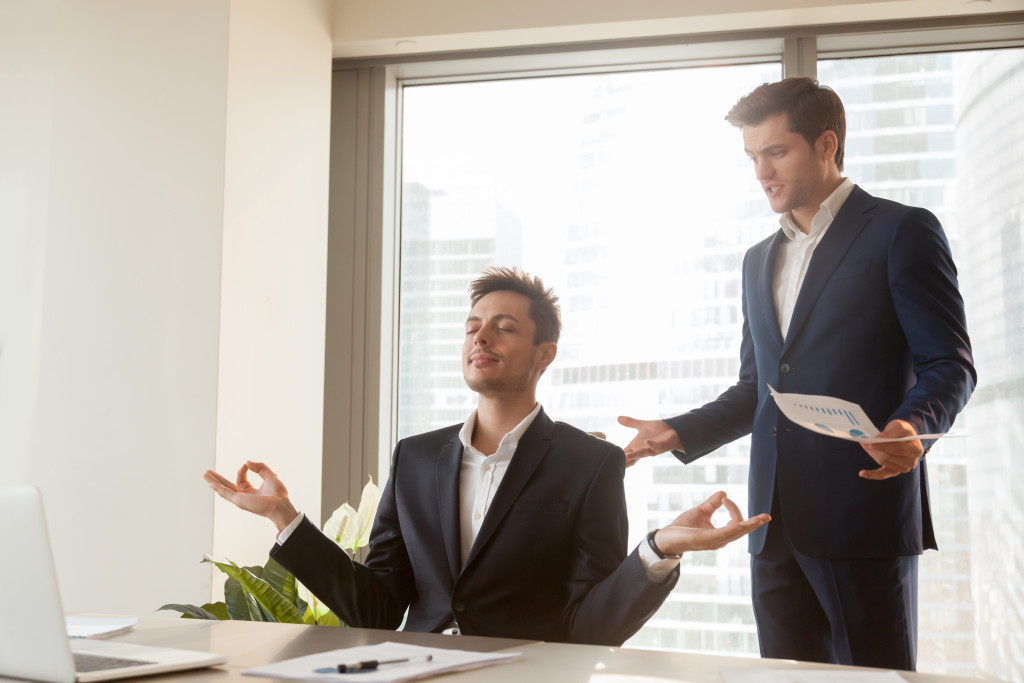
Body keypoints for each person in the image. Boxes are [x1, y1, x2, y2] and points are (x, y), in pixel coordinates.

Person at [206, 267, 769, 646]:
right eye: (473, 327)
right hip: (416, 672)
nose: (481, 339)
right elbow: (377, 608)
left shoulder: (588, 464)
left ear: (543, 354)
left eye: (503, 328)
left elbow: (590, 625)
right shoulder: (415, 458)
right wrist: (284, 517)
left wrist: (658, 549)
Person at [619, 77, 975, 670]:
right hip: (771, 526)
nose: (761, 171)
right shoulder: (758, 260)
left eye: (776, 152)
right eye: (752, 157)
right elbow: (757, 390)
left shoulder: (900, 231)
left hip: (863, 516)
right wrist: (675, 432)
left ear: (827, 144)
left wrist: (913, 425)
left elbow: (949, 363)